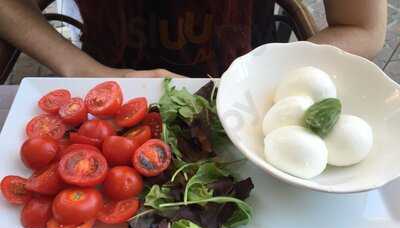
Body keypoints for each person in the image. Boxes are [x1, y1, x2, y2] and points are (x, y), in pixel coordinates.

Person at [0, 0, 387, 78]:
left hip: (243, 90)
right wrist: (82, 69)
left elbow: (363, 28)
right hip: (106, 82)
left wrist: (256, 74)